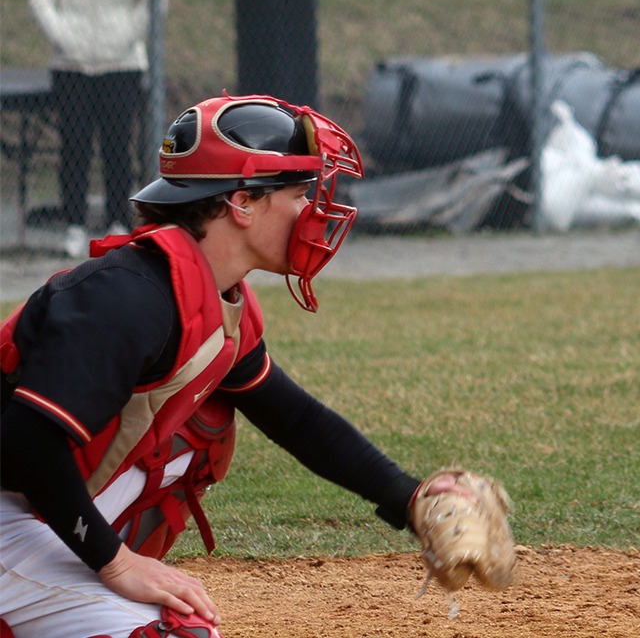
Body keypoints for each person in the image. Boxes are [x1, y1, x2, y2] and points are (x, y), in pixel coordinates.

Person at [0, 95, 471, 638]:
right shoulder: (128, 297)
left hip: (27, 508)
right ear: (242, 202)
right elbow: (26, 442)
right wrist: (117, 564)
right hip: (13, 503)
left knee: (206, 427)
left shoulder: (207, 295)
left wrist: (409, 497)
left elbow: (294, 418)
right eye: (298, 193)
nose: (311, 211)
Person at [28, 0, 163, 259]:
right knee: (74, 146)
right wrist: (65, 36)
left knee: (118, 146)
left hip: (121, 65)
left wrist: (122, 39)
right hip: (72, 66)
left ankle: (119, 222)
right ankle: (74, 224)